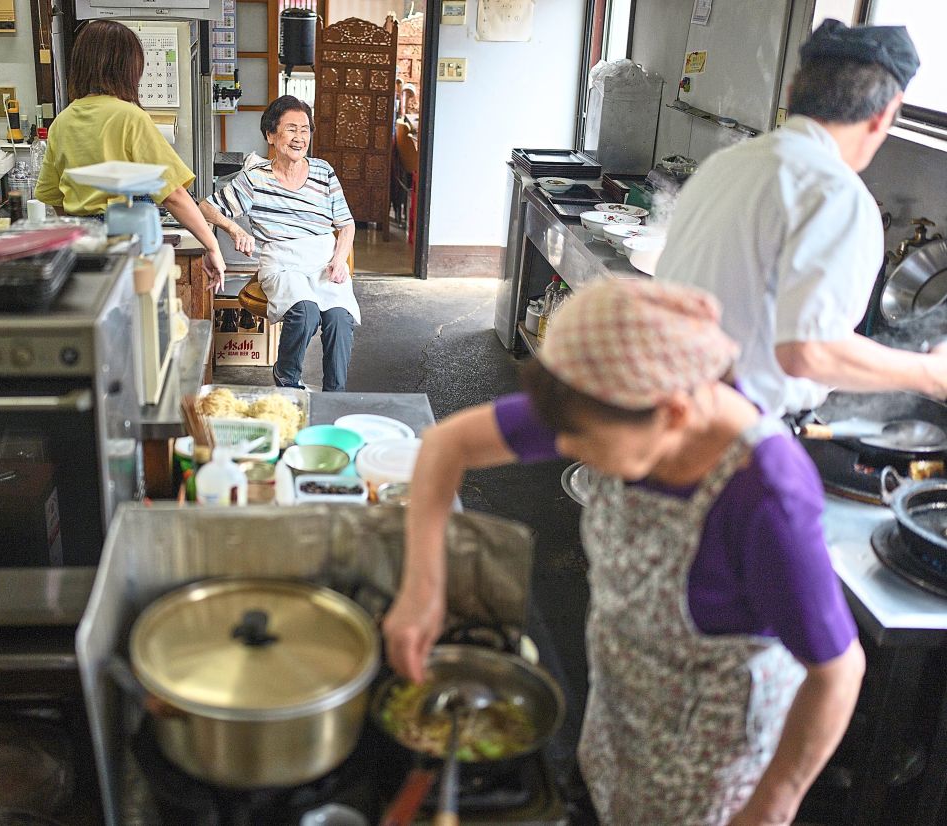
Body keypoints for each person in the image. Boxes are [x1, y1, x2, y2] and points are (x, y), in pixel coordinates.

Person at [383, 279, 865, 826]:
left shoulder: (766, 497)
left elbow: (837, 672)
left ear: (674, 415)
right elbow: (449, 445)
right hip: (618, 711)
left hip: (710, 765)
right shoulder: (602, 401)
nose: (562, 447)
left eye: (581, 441)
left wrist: (770, 806)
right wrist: (422, 587)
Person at [657, 19, 946, 418]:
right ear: (885, 114)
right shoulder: (837, 194)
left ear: (793, 94)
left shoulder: (727, 163)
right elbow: (808, 351)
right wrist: (930, 373)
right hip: (723, 431)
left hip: (660, 409)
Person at [34, 19, 224, 288]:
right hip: (127, 246)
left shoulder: (62, 122)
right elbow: (174, 194)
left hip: (81, 248)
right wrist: (212, 244)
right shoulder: (130, 118)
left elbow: (54, 197)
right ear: (126, 70)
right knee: (140, 317)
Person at [199, 96, 358, 392]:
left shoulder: (324, 172)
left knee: (339, 319)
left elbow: (346, 225)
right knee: (305, 311)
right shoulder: (255, 179)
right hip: (282, 263)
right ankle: (287, 381)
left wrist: (339, 259)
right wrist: (235, 230)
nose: (299, 138)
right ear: (271, 135)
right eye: (291, 129)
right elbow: (206, 208)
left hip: (323, 259)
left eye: (305, 129)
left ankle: (335, 396)